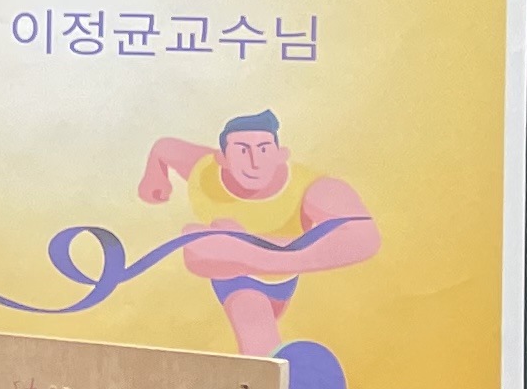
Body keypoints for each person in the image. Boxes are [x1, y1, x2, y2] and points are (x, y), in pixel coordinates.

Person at [134, 112, 378, 359]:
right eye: (242, 150)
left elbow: (365, 238)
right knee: (254, 329)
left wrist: (245, 254)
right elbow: (165, 148)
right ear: (222, 159)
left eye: (263, 149)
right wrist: (155, 176)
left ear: (280, 154)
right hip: (236, 281)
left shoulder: (313, 188)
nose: (254, 162)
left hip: (278, 280)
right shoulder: (205, 173)